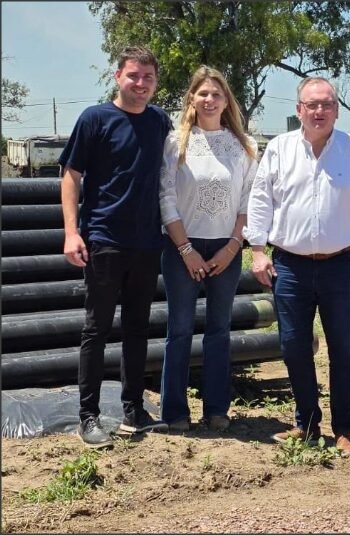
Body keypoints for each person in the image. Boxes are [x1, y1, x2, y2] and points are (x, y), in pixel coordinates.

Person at [244, 77, 350, 454]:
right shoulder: (278, 149)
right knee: (293, 346)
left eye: (326, 104)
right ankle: (306, 423)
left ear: (336, 110)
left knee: (343, 347)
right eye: (312, 105)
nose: (319, 111)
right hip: (289, 267)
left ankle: (344, 428)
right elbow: (261, 200)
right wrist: (257, 250)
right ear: (299, 110)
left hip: (343, 264)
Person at [60, 46, 172, 448]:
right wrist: (72, 232)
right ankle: (88, 415)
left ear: (155, 82)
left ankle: (133, 409)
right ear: (117, 76)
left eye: (148, 78)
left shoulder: (160, 121)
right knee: (97, 329)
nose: (140, 84)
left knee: (138, 328)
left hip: (146, 242)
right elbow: (71, 175)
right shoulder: (95, 119)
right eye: (133, 76)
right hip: (104, 239)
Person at [158, 66, 258, 433]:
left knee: (219, 329)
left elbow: (249, 200)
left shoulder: (245, 145)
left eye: (217, 94)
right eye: (203, 94)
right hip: (182, 246)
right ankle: (174, 412)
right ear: (192, 99)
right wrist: (185, 249)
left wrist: (234, 246)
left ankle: (217, 409)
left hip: (226, 248)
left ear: (226, 100)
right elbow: (166, 195)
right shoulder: (175, 142)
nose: (210, 100)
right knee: (180, 328)